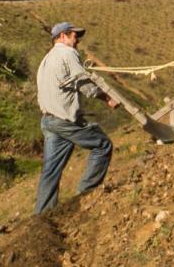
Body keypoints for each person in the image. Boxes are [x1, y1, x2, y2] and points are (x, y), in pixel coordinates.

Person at [34, 21, 118, 214]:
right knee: (102, 145)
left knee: (51, 170)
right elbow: (84, 83)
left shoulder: (46, 59)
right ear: (62, 36)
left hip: (48, 120)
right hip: (64, 119)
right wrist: (108, 99)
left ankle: (42, 215)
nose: (78, 40)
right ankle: (84, 195)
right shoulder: (67, 53)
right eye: (74, 35)